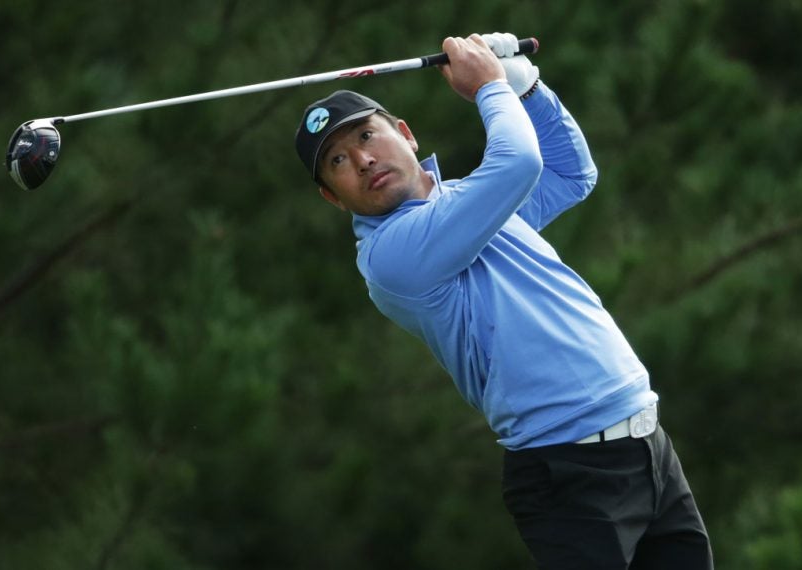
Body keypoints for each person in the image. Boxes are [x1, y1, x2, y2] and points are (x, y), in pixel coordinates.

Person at [293, 32, 713, 569]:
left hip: (648, 445)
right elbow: (518, 164)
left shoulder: (473, 203)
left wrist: (526, 85)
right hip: (568, 474)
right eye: (337, 162)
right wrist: (491, 88)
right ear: (332, 197)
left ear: (405, 133)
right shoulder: (390, 257)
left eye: (368, 136)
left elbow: (570, 173)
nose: (364, 159)